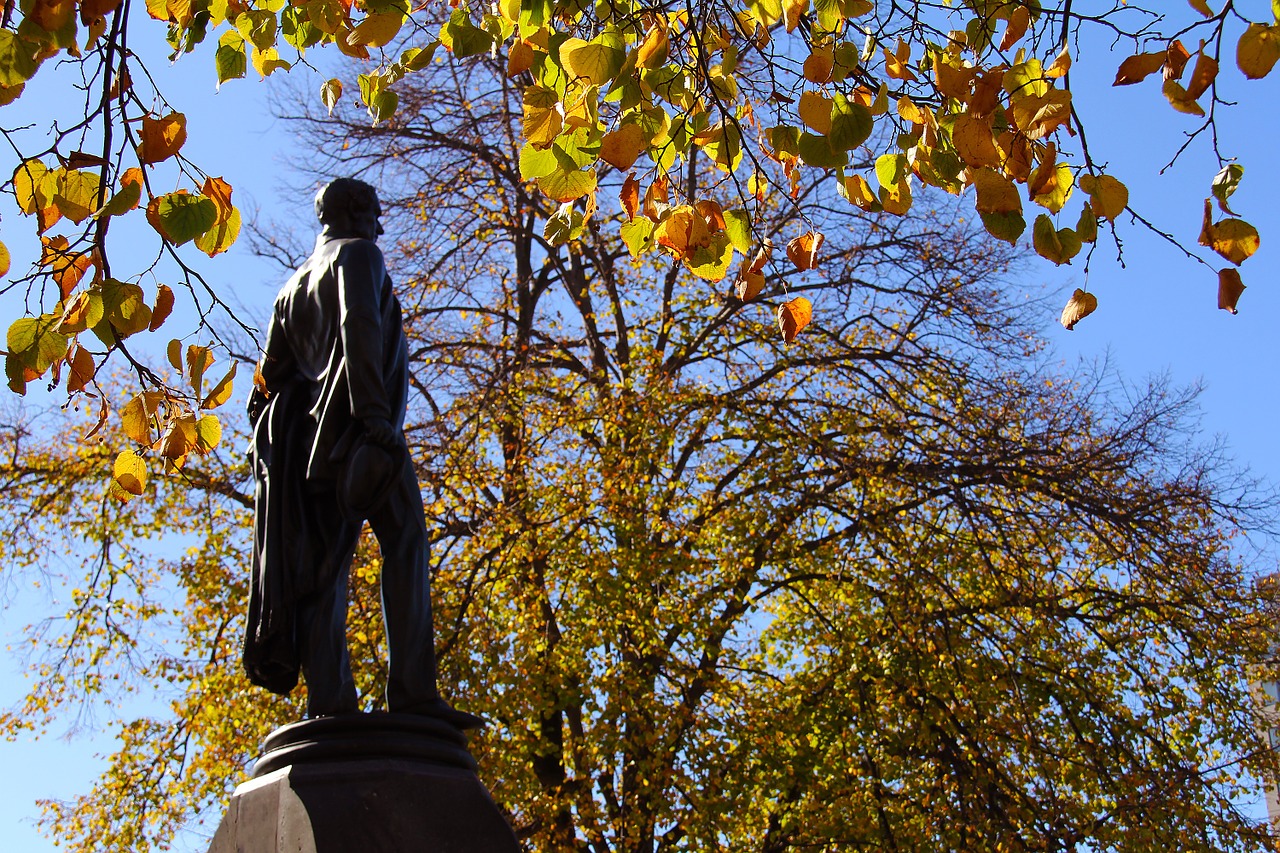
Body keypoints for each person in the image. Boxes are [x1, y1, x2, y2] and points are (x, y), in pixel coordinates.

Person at [244, 178, 456, 721]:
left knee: (326, 572)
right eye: (375, 214)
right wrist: (375, 418)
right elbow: (357, 323)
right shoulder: (359, 256)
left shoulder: (289, 290)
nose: (380, 226)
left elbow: (264, 386)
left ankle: (330, 706)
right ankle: (414, 695)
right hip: (364, 435)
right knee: (407, 542)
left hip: (312, 453)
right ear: (357, 215)